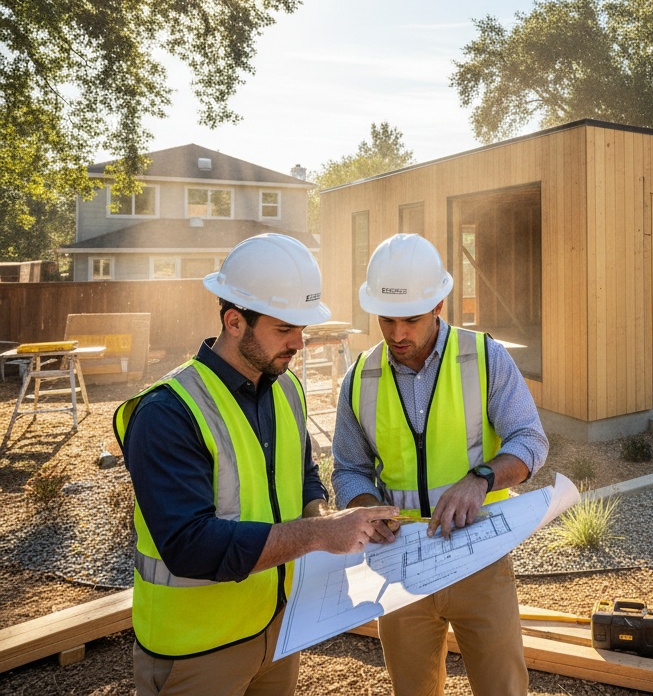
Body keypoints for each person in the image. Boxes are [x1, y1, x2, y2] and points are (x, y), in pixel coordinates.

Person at [115, 233, 397, 696]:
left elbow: (303, 474)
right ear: (234, 322)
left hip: (278, 629)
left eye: (302, 329)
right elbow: (189, 546)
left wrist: (321, 516)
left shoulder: (285, 388)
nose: (299, 344)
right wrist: (319, 534)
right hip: (196, 651)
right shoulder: (168, 412)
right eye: (285, 330)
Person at [332, 233, 549, 696]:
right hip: (401, 564)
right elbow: (348, 468)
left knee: (502, 688)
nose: (396, 334)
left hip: (481, 558)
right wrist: (368, 507)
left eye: (410, 319)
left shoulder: (485, 357)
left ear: (439, 305)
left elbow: (530, 440)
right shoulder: (359, 379)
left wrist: (481, 480)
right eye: (386, 319)